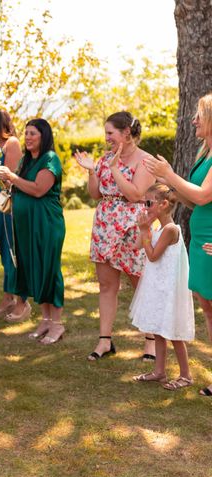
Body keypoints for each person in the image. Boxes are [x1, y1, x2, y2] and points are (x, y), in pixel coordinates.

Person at [144, 92, 212, 397]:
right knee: (208, 307)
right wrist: (170, 185)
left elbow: (203, 196)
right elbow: (190, 199)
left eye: (199, 115)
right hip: (201, 237)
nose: (193, 120)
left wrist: (170, 173)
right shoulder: (204, 153)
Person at [74, 112, 155, 361]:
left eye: (110, 132)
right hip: (105, 225)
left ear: (126, 134)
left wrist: (114, 168)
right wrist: (91, 171)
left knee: (141, 284)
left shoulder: (146, 161)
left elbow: (134, 194)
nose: (106, 137)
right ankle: (105, 341)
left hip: (133, 226)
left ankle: (151, 342)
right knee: (107, 285)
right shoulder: (105, 158)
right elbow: (96, 194)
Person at [0, 119, 66, 344]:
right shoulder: (25, 160)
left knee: (49, 270)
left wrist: (12, 177)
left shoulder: (50, 159)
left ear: (44, 136)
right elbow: (17, 186)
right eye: (26, 133)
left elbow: (38, 189)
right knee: (35, 269)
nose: (28, 137)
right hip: (25, 224)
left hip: (45, 223)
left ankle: (57, 324)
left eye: (33, 133)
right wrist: (5, 180)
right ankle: (45, 319)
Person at [130, 184, 195, 390]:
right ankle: (159, 371)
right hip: (157, 285)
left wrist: (144, 230)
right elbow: (137, 246)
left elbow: (153, 255)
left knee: (173, 332)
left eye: (148, 203)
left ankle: (186, 375)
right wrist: (145, 228)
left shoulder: (170, 229)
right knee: (157, 329)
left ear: (163, 204)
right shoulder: (158, 228)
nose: (145, 207)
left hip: (169, 288)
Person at [0, 109, 29, 321]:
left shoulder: (11, 143)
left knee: (11, 249)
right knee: (2, 249)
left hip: (6, 203)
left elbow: (10, 177)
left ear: (3, 122)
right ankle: (8, 295)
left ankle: (20, 298)